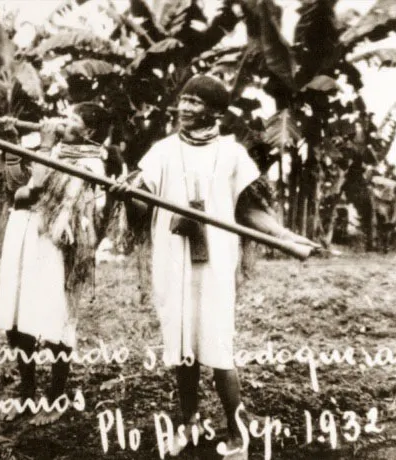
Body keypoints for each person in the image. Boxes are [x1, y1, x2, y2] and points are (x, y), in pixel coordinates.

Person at [110, 75, 319, 459]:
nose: (185, 108)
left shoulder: (231, 154)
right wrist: (126, 197)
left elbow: (250, 209)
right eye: (184, 100)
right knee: (182, 343)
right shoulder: (162, 151)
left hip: (217, 261)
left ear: (216, 112)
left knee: (219, 345)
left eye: (196, 102)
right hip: (172, 259)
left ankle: (237, 433)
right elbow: (142, 204)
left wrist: (286, 237)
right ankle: (189, 422)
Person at [0, 102, 115, 426]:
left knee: (55, 317)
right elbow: (14, 182)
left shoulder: (88, 163)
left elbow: (35, 190)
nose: (63, 123)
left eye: (72, 119)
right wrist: (14, 141)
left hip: (57, 241)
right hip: (25, 233)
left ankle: (57, 396)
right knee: (18, 317)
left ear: (88, 131)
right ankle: (27, 394)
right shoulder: (55, 152)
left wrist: (44, 148)